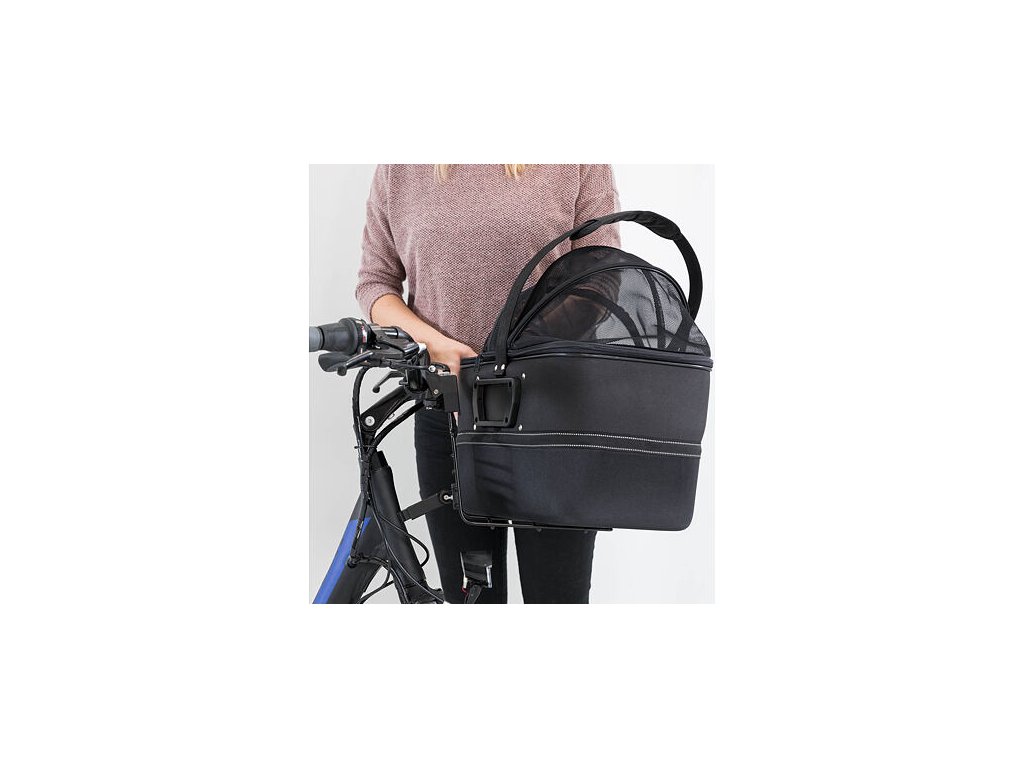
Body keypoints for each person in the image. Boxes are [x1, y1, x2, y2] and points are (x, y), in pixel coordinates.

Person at [355, 164, 620, 603]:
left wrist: (513, 358)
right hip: (451, 415)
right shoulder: (401, 167)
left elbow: (603, 278)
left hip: (552, 418)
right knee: (470, 601)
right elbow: (375, 284)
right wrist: (434, 344)